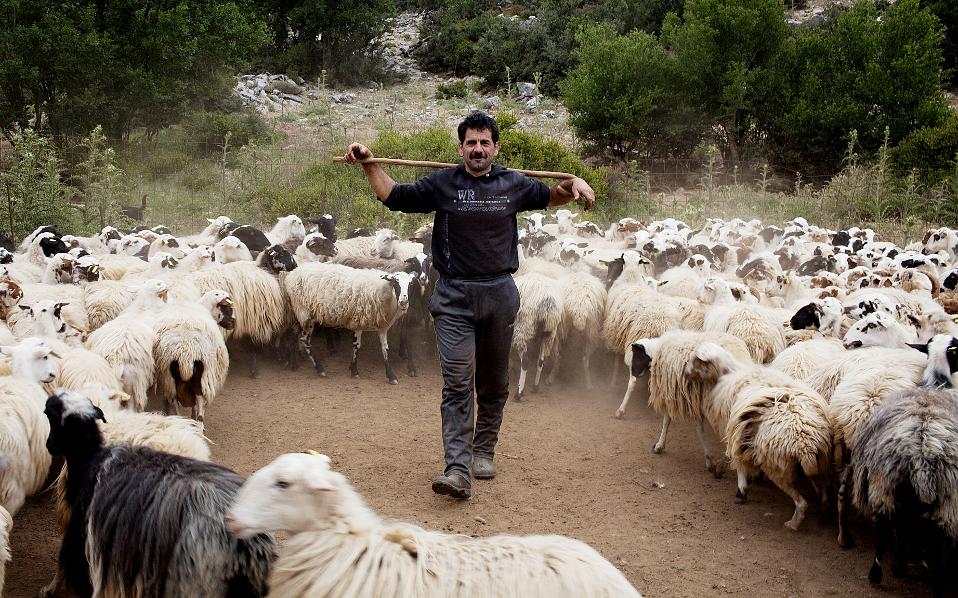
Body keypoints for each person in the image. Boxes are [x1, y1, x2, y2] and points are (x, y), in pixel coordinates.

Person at [345, 111, 595, 500]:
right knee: (458, 381)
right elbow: (393, 196)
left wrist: (574, 182)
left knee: (493, 382)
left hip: (499, 294)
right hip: (454, 296)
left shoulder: (513, 183)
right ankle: (457, 467)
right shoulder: (443, 183)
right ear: (460, 148)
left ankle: (484, 450)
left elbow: (553, 195)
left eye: (484, 142)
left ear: (495, 147)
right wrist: (369, 164)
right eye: (471, 143)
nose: (478, 149)